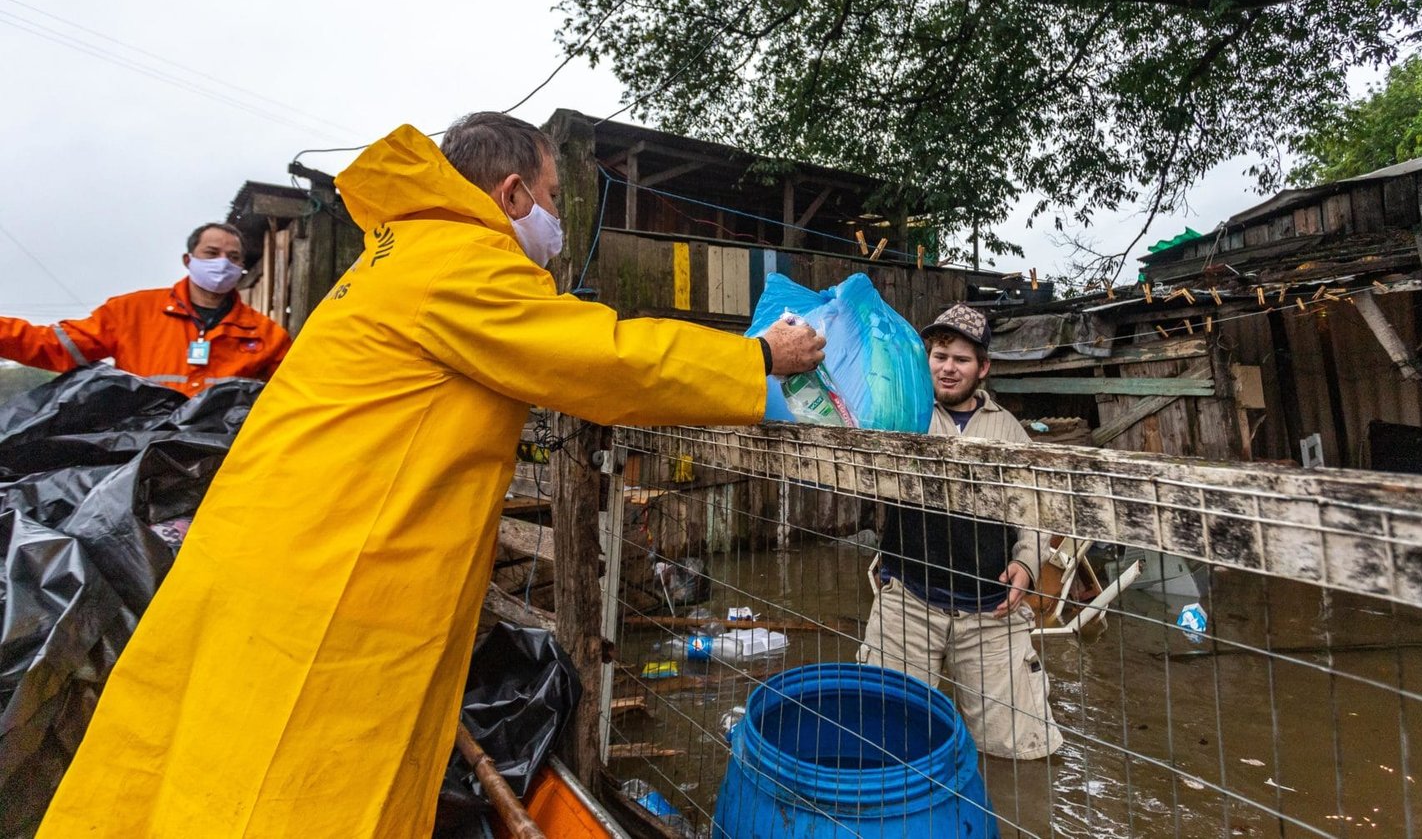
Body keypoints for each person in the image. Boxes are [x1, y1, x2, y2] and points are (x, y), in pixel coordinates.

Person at [37, 113, 826, 838]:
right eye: (553, 197)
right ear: (511, 193)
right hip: (333, 581)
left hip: (273, 551)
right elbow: (602, 356)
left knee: (196, 765)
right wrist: (756, 358)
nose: (558, 221)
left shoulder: (397, 254)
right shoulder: (461, 260)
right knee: (295, 790)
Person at [858, 302, 1064, 759]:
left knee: (1022, 750)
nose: (948, 368)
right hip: (907, 603)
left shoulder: (1008, 430)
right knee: (884, 742)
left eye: (962, 359)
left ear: (983, 368)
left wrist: (1026, 564)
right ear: (926, 359)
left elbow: (1033, 509)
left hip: (990, 610)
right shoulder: (905, 410)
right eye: (940, 355)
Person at [0, 222, 291, 395]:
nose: (223, 263)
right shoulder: (131, 312)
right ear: (188, 260)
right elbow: (54, 345)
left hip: (220, 459)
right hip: (138, 453)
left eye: (234, 257)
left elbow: (296, 391)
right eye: (212, 254)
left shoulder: (265, 334)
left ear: (241, 267)